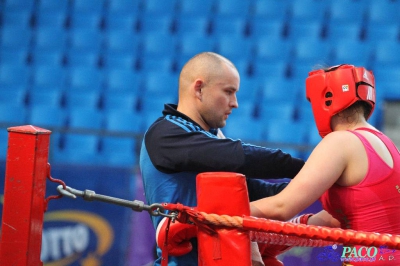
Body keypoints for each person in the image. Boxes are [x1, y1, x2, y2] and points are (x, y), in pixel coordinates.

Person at [140, 52, 305, 265]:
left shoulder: (208, 137)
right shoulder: (165, 134)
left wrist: (319, 185)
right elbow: (242, 157)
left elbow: (254, 192)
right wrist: (314, 170)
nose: (235, 103)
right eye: (228, 92)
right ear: (199, 89)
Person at [250, 64, 400, 265]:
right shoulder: (386, 143)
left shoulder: (341, 141)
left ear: (327, 98)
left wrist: (228, 213)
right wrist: (276, 239)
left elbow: (282, 206)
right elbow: (335, 220)